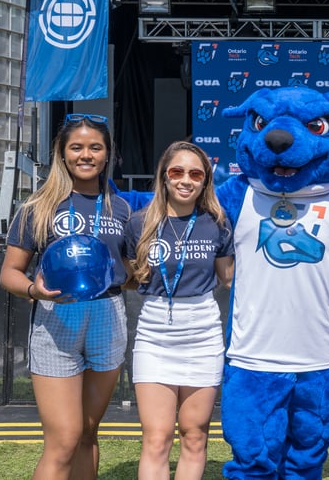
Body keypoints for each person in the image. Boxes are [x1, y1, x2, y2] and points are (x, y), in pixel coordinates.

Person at [0, 113, 131, 480]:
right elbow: (9, 272)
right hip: (58, 317)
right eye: (76, 147)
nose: (85, 155)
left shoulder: (120, 207)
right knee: (64, 438)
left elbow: (127, 271)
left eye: (95, 147)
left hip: (109, 314)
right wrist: (33, 290)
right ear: (62, 152)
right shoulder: (38, 206)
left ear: (107, 154)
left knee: (89, 433)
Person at [124, 141, 234, 479]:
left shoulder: (216, 222)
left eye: (195, 174)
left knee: (195, 436)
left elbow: (228, 278)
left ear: (205, 181)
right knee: (156, 439)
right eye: (177, 171)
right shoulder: (139, 223)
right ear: (164, 176)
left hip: (203, 335)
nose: (186, 180)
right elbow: (131, 277)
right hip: (155, 335)